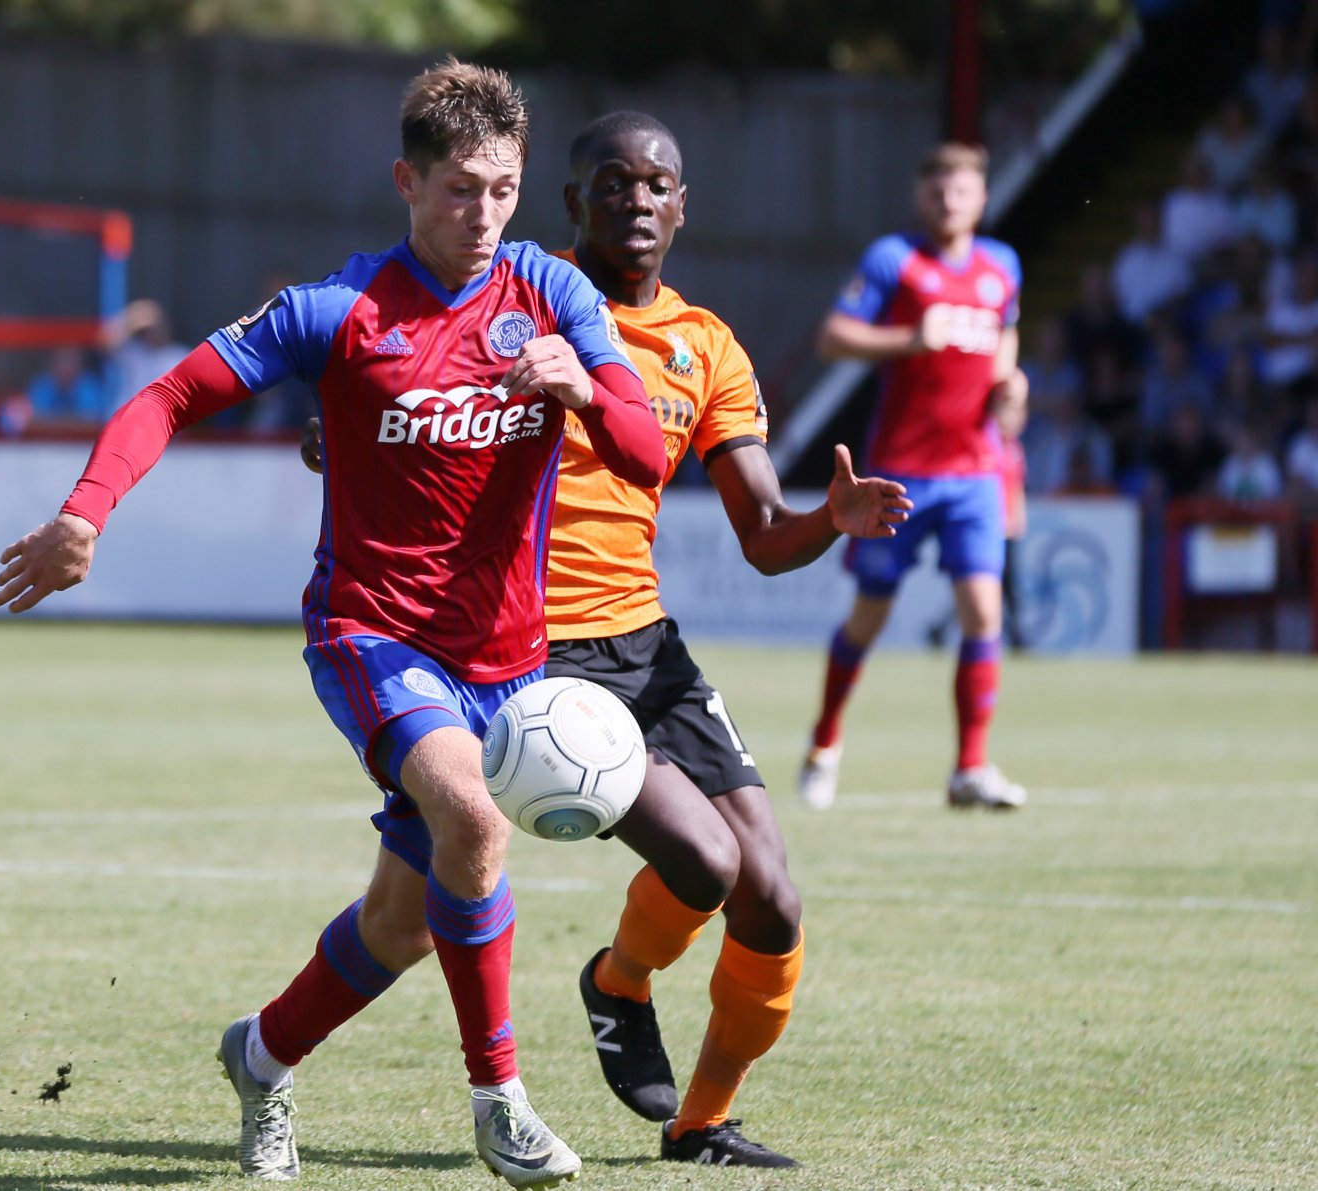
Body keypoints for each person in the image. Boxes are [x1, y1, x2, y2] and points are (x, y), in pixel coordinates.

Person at [0, 59, 664, 1188]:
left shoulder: (553, 294)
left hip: (508, 660)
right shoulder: (340, 309)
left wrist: (592, 392)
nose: (482, 214)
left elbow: (647, 458)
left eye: (501, 189)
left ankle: (261, 1057)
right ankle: (499, 1098)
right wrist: (82, 514)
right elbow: (169, 395)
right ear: (406, 182)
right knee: (475, 825)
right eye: (458, 189)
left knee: (403, 927)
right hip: (373, 635)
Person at [302, 111, 909, 1169]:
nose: (635, 201)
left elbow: (765, 536)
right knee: (701, 861)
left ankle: (697, 1117)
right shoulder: (515, 294)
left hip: (648, 646)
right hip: (532, 655)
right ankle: (617, 983)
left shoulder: (705, 346)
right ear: (572, 202)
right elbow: (395, 374)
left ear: (683, 206)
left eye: (656, 184)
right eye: (611, 184)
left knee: (771, 896)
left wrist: (831, 521)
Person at [799, 142, 1029, 812]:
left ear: (980, 198)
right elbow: (833, 337)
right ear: (919, 195)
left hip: (974, 473)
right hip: (900, 473)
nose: (948, 199)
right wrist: (909, 338)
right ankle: (824, 740)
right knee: (870, 615)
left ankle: (970, 767)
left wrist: (1010, 387)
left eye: (961, 189)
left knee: (983, 609)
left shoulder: (1002, 265)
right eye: (936, 188)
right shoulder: (894, 259)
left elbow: (1005, 339)